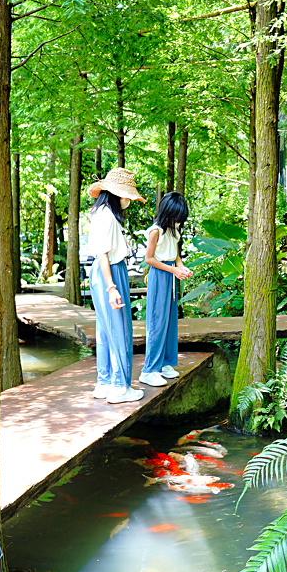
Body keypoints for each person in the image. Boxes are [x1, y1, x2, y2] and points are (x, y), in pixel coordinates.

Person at [86, 167, 147, 404]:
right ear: (118, 195)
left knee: (104, 329)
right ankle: (121, 386)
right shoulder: (109, 216)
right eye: (128, 197)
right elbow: (103, 254)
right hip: (110, 272)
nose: (129, 201)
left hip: (100, 273)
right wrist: (111, 287)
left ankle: (105, 382)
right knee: (120, 328)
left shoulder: (99, 213)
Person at [139, 192, 193, 387]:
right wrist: (174, 269)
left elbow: (176, 255)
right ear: (168, 213)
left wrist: (181, 267)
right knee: (157, 322)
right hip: (160, 275)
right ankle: (149, 369)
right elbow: (149, 259)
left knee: (170, 322)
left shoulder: (173, 230)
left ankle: (165, 363)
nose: (179, 222)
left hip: (171, 274)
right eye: (176, 218)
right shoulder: (156, 231)